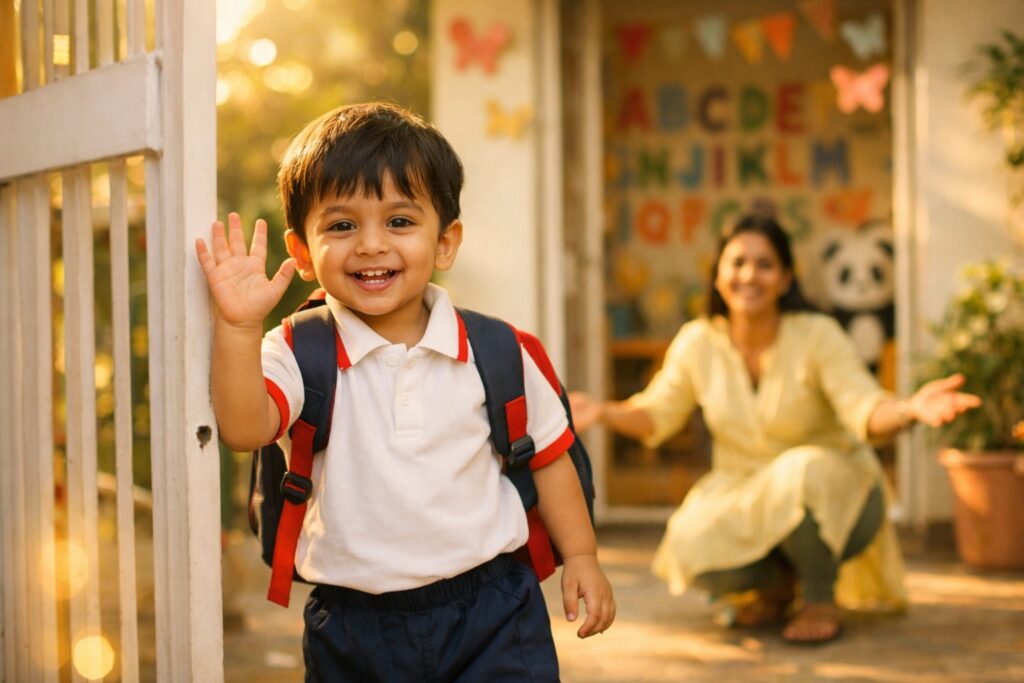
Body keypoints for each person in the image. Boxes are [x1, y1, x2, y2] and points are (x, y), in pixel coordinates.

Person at [195, 102, 614, 680]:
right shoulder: (297, 350)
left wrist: (582, 557)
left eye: (399, 221)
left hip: (492, 608)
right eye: (341, 225)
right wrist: (240, 328)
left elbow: (549, 457)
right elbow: (244, 429)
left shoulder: (499, 350)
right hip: (352, 623)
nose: (371, 245)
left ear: (445, 242)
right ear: (301, 252)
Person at [571, 214, 978, 644]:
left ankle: (820, 597)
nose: (749, 275)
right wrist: (601, 412)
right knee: (689, 541)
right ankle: (778, 587)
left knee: (801, 472)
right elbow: (656, 413)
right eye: (738, 262)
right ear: (718, 276)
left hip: (838, 491)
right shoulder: (699, 341)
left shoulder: (817, 335)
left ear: (785, 279)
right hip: (746, 489)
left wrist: (908, 408)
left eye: (764, 264)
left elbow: (863, 405)